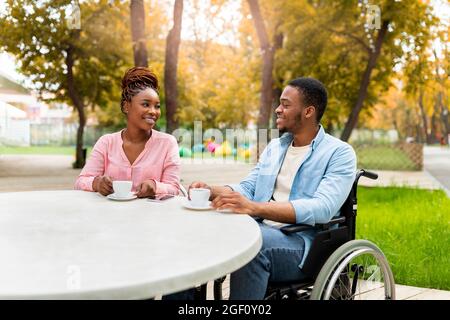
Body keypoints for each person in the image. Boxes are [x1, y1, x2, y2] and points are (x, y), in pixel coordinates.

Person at [170, 77, 356, 300]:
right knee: (194, 231)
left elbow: (322, 208)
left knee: (252, 246)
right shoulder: (276, 147)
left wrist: (254, 208)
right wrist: (213, 190)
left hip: (304, 243)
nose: (278, 110)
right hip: (259, 227)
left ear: (308, 112)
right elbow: (250, 187)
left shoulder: (339, 153)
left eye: (286, 105)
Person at [75, 67, 180, 198]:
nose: (153, 111)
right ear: (126, 106)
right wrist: (96, 183)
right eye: (146, 104)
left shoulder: (167, 143)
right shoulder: (107, 142)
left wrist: (155, 186)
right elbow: (80, 182)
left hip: (151, 216)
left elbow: (174, 188)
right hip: (110, 214)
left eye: (157, 106)